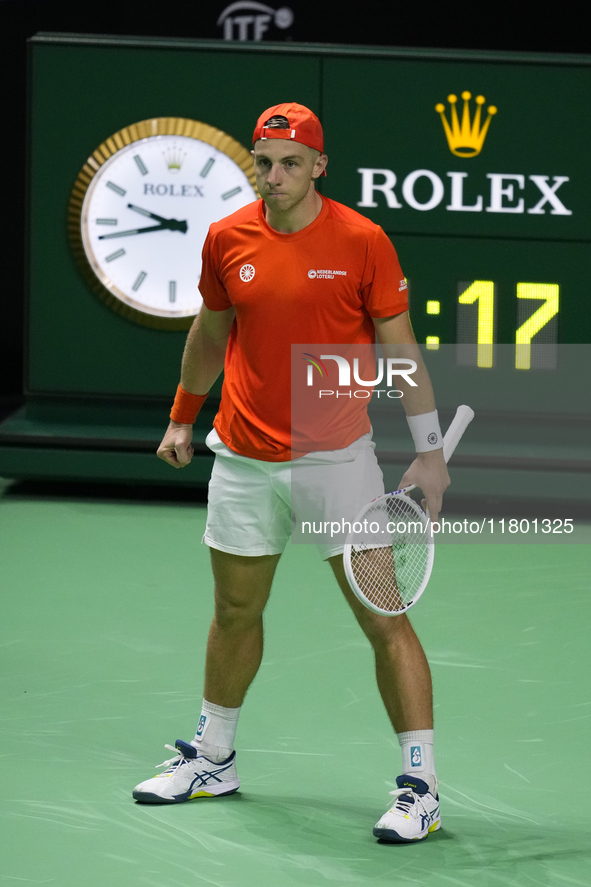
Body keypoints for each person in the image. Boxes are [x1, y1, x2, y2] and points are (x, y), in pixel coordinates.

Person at [132, 103, 450, 843]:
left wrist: (429, 451)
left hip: (336, 461)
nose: (272, 178)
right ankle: (213, 756)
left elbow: (399, 349)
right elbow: (211, 331)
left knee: (383, 618)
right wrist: (183, 414)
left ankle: (422, 785)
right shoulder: (226, 236)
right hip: (242, 459)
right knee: (234, 611)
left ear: (318, 166)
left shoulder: (362, 242)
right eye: (263, 162)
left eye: (289, 164)